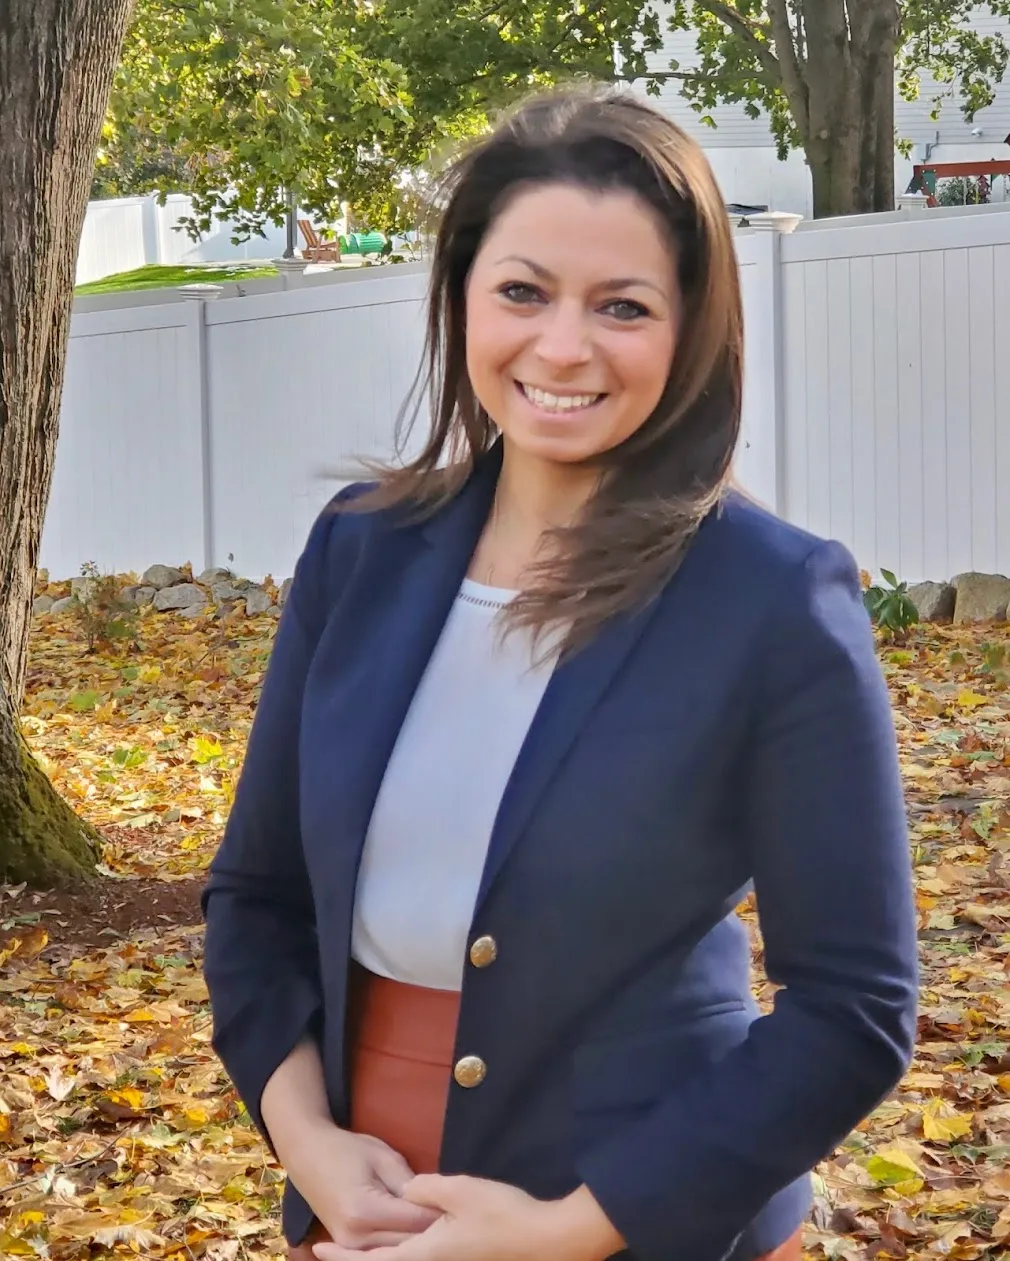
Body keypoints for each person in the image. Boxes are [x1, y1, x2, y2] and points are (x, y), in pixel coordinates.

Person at [202, 85, 918, 1261]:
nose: (562, 346)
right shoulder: (360, 548)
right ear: (462, 298)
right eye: (522, 292)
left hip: (639, 1214)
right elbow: (256, 898)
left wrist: (568, 1230)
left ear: (689, 327)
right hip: (359, 1202)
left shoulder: (772, 600)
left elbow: (854, 1007)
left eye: (622, 306)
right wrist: (307, 1141)